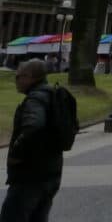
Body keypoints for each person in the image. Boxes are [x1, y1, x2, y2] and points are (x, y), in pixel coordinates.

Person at [2, 59, 62, 221]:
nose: (16, 80)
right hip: (50, 172)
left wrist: (16, 152)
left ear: (29, 77)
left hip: (30, 175)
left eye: (18, 77)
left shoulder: (36, 100)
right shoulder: (53, 95)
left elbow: (34, 126)